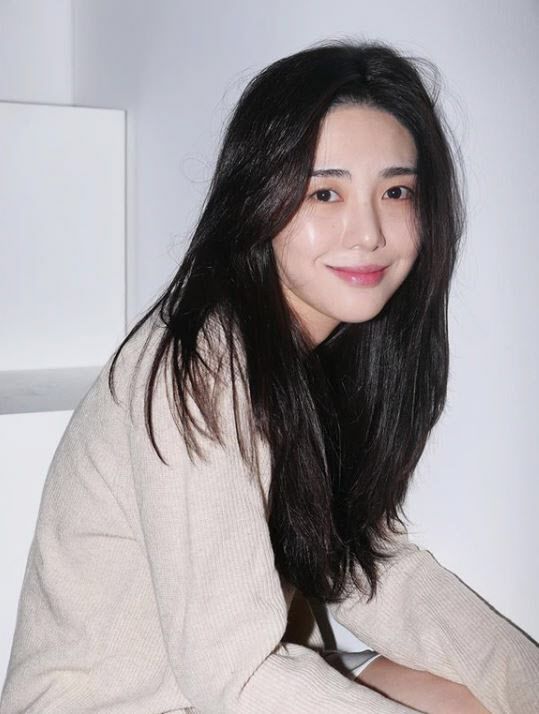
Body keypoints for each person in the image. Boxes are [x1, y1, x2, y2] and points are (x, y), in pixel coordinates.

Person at [1, 40, 537, 714]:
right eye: (325, 192)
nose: (368, 232)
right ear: (259, 199)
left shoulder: (317, 356)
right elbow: (237, 675)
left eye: (395, 191)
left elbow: (369, 567)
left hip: (209, 686)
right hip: (123, 704)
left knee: (475, 695)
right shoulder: (202, 370)